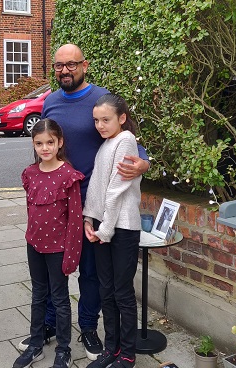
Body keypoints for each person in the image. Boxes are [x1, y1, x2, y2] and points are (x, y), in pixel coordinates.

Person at [17, 43, 149, 361]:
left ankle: (89, 328)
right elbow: (43, 145)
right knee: (52, 269)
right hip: (57, 204)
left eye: (72, 64)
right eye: (59, 65)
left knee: (91, 272)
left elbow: (127, 138)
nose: (65, 70)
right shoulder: (49, 101)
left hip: (93, 204)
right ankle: (49, 324)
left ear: (84, 65)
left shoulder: (100, 99)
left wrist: (142, 163)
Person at [15, 118, 84, 368]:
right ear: (33, 144)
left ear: (60, 143)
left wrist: (71, 255)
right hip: (34, 245)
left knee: (60, 299)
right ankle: (35, 344)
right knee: (37, 295)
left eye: (50, 143)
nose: (45, 148)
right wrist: (30, 236)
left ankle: (64, 349)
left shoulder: (68, 175)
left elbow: (76, 220)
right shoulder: (30, 173)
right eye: (39, 143)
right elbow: (30, 209)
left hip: (57, 250)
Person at [83, 94, 142, 368]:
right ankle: (111, 349)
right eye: (96, 120)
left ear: (121, 118)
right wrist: (89, 220)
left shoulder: (126, 139)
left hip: (122, 228)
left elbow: (117, 188)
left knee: (122, 292)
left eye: (105, 120)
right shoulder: (107, 143)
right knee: (106, 290)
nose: (100, 125)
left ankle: (127, 355)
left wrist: (103, 229)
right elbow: (97, 185)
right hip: (103, 227)